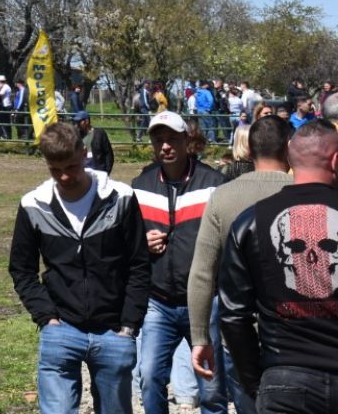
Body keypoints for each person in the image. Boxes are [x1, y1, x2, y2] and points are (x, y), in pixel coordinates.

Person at [8, 122, 149, 414]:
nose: (64, 176)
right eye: (55, 169)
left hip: (114, 329)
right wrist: (46, 317)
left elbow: (139, 264)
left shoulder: (120, 198)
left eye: (71, 167)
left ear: (84, 154)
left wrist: (129, 325)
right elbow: (21, 269)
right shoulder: (34, 205)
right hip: (61, 326)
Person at [218, 118, 338, 411]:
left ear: (289, 158)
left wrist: (257, 384)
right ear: (336, 160)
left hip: (284, 379)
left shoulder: (249, 222)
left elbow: (234, 315)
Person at [186, 115, 292, 414]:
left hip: (240, 329)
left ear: (248, 150)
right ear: (288, 147)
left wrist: (199, 337)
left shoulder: (223, 197)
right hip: (296, 334)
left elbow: (202, 273)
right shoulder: (306, 191)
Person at [131, 111, 227, 414]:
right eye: (158, 140)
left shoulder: (213, 183)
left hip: (204, 301)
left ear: (187, 140)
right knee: (149, 377)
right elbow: (126, 241)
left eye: (172, 139)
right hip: (158, 301)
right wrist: (141, 244)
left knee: (211, 387)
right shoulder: (141, 185)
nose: (165, 146)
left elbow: (228, 239)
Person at [73, 111, 114, 175]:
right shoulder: (77, 135)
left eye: (79, 122)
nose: (77, 124)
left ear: (86, 121)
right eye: (76, 122)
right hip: (83, 170)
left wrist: (106, 172)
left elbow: (108, 153)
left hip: (98, 169)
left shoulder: (99, 134)